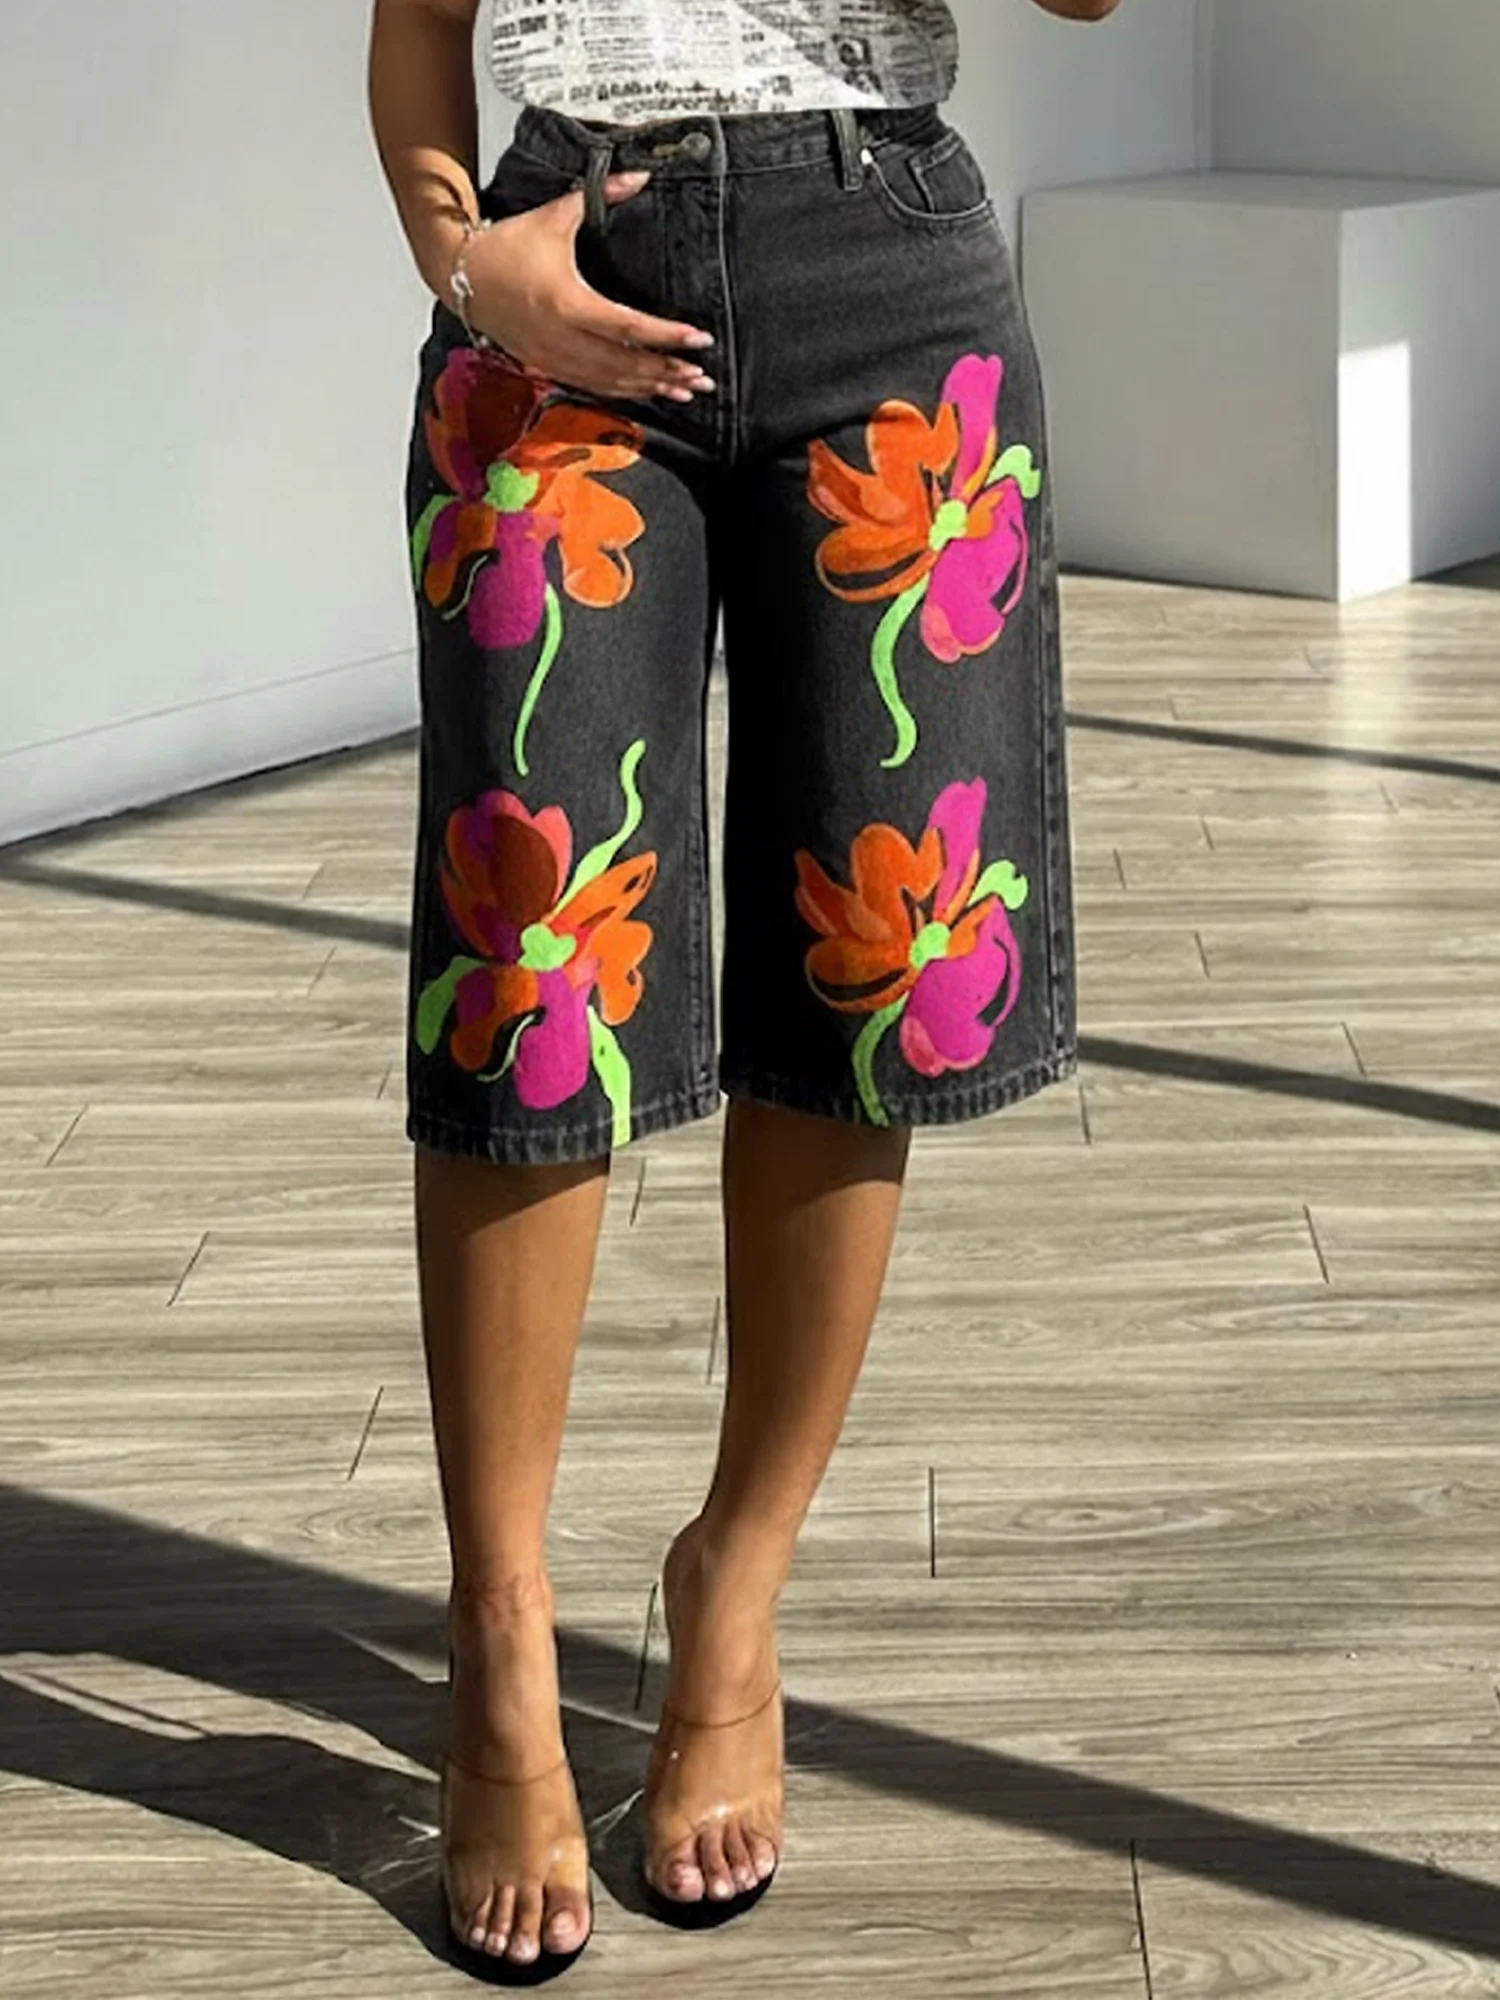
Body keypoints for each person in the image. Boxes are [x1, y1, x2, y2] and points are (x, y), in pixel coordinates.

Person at [368, 0, 1116, 1976]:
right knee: (524, 962)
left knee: (871, 965)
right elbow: (416, 25)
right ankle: (499, 1630)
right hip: (564, 267)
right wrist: (468, 266)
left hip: (893, 273)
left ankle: (737, 1586)